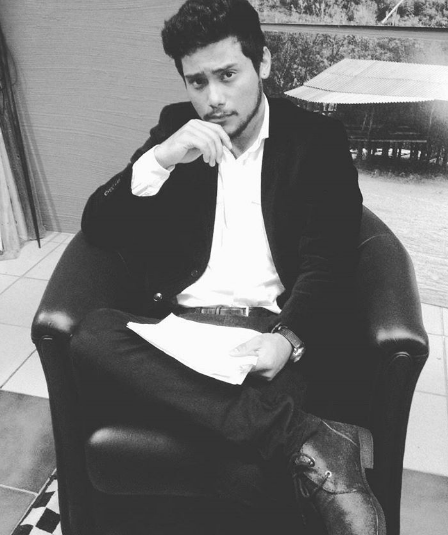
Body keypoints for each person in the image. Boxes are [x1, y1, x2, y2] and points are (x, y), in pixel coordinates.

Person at [72, 0, 386, 533]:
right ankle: (306, 438)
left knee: (243, 432)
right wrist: (159, 160)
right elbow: (98, 226)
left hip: (265, 335)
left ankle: (266, 433)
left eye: (227, 75)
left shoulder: (317, 141)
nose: (213, 99)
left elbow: (329, 262)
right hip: (183, 332)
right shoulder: (177, 128)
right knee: (92, 336)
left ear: (262, 64)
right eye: (197, 82)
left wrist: (288, 340)